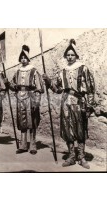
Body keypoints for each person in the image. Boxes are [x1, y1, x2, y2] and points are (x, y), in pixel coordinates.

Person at [43, 39, 95, 169]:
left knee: (80, 129)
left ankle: (81, 157)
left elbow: (90, 88)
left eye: (72, 55)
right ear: (66, 56)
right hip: (66, 102)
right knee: (68, 128)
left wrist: (89, 106)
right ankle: (71, 156)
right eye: (68, 55)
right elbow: (58, 89)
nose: (70, 57)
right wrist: (48, 81)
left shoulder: (83, 69)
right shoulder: (63, 71)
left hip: (79, 102)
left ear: (76, 56)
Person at [8, 45, 44, 155]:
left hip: (31, 97)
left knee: (31, 122)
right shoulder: (18, 72)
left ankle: (33, 145)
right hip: (20, 98)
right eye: (21, 58)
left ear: (28, 59)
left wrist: (37, 101)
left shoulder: (34, 71)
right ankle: (23, 145)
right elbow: (13, 86)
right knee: (22, 121)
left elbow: (39, 87)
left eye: (25, 58)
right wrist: (7, 83)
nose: (23, 60)